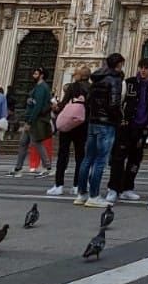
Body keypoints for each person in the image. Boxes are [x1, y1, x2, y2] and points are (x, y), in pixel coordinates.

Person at [107, 58, 148, 203]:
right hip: (126, 127)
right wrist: (120, 120)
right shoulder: (128, 82)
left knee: (135, 159)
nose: (143, 70)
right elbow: (119, 101)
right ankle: (113, 188)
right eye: (141, 67)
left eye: (146, 68)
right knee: (119, 158)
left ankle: (127, 188)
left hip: (141, 128)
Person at [78, 53, 125, 206]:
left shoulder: (96, 79)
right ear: (119, 64)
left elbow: (89, 100)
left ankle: (81, 194)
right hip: (106, 123)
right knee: (100, 160)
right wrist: (119, 119)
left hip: (93, 121)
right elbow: (114, 103)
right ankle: (94, 196)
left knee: (87, 159)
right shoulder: (115, 79)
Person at [49, 65, 90, 196]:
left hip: (68, 125)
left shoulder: (73, 87)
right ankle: (77, 185)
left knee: (63, 154)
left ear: (80, 75)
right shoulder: (92, 88)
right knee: (80, 156)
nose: (74, 75)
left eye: (75, 74)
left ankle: (59, 185)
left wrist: (56, 107)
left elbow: (63, 104)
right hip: (83, 125)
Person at [11, 67, 53, 177]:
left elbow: (38, 106)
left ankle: (47, 167)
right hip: (32, 118)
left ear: (41, 75)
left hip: (35, 120)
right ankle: (18, 167)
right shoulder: (39, 87)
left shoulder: (42, 87)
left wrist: (29, 121)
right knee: (23, 143)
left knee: (37, 143)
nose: (33, 75)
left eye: (35, 73)